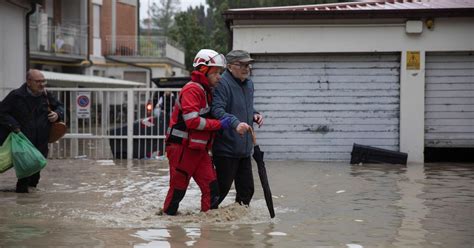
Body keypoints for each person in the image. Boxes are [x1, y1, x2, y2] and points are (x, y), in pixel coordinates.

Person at [162, 49, 233, 215]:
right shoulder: (192, 90)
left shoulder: (206, 90)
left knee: (213, 190)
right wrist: (219, 124)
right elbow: (192, 121)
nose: (219, 77)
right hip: (182, 148)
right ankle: (171, 230)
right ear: (203, 70)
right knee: (178, 191)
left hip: (197, 149)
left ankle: (208, 231)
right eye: (216, 73)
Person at [211, 50, 264, 206]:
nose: (245, 68)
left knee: (247, 191)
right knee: (220, 192)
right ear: (229, 66)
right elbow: (217, 110)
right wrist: (235, 123)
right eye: (240, 64)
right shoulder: (222, 83)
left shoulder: (249, 84)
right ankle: (207, 223)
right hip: (226, 149)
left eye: (248, 64)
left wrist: (255, 114)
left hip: (244, 149)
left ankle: (240, 227)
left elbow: (245, 108)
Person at [0, 69, 64, 193]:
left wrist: (58, 114)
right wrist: (14, 126)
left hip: (41, 140)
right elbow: (2, 112)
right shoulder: (16, 95)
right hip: (23, 140)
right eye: (38, 81)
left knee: (36, 171)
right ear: (29, 82)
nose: (42, 84)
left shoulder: (46, 95)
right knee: (25, 171)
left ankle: (31, 197)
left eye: (43, 81)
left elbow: (60, 106)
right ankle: (23, 196)